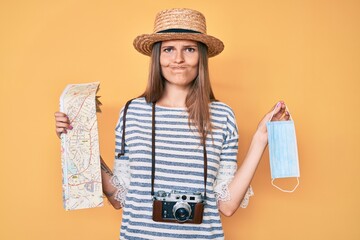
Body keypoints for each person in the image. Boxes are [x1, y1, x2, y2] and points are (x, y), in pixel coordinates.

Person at [54, 8, 290, 240]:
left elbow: (227, 205)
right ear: (157, 56)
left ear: (202, 58)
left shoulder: (222, 115)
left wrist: (261, 138)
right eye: (168, 49)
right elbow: (119, 196)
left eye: (189, 49)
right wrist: (80, 141)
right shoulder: (133, 112)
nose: (178, 59)